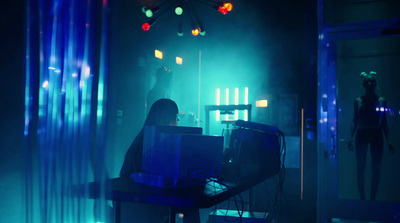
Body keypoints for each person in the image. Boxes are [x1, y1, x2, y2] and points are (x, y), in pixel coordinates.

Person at [119, 98, 200, 223]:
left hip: (135, 203)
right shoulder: (152, 143)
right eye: (175, 117)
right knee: (190, 206)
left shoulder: (144, 139)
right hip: (142, 204)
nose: (177, 121)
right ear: (167, 118)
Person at [347, 71, 395, 201]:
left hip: (375, 133)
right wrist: (351, 138)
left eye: (371, 81)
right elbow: (355, 120)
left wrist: (389, 140)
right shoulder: (358, 101)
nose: (369, 84)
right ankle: (363, 198)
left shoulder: (381, 101)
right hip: (363, 133)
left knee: (376, 168)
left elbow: (384, 122)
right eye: (367, 82)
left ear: (374, 84)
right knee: (360, 167)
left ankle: (372, 199)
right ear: (364, 84)